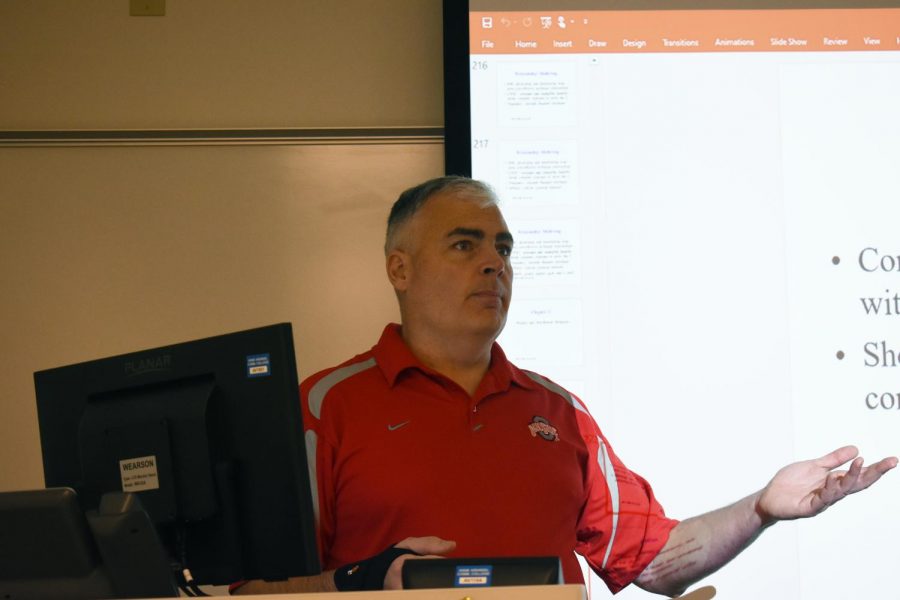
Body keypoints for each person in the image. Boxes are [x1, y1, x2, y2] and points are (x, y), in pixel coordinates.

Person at [235, 176, 897, 596]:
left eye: (504, 247)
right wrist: (361, 584)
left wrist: (762, 507)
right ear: (399, 269)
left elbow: (655, 563)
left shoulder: (557, 411)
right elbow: (246, 591)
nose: (495, 262)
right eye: (465, 245)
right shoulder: (327, 405)